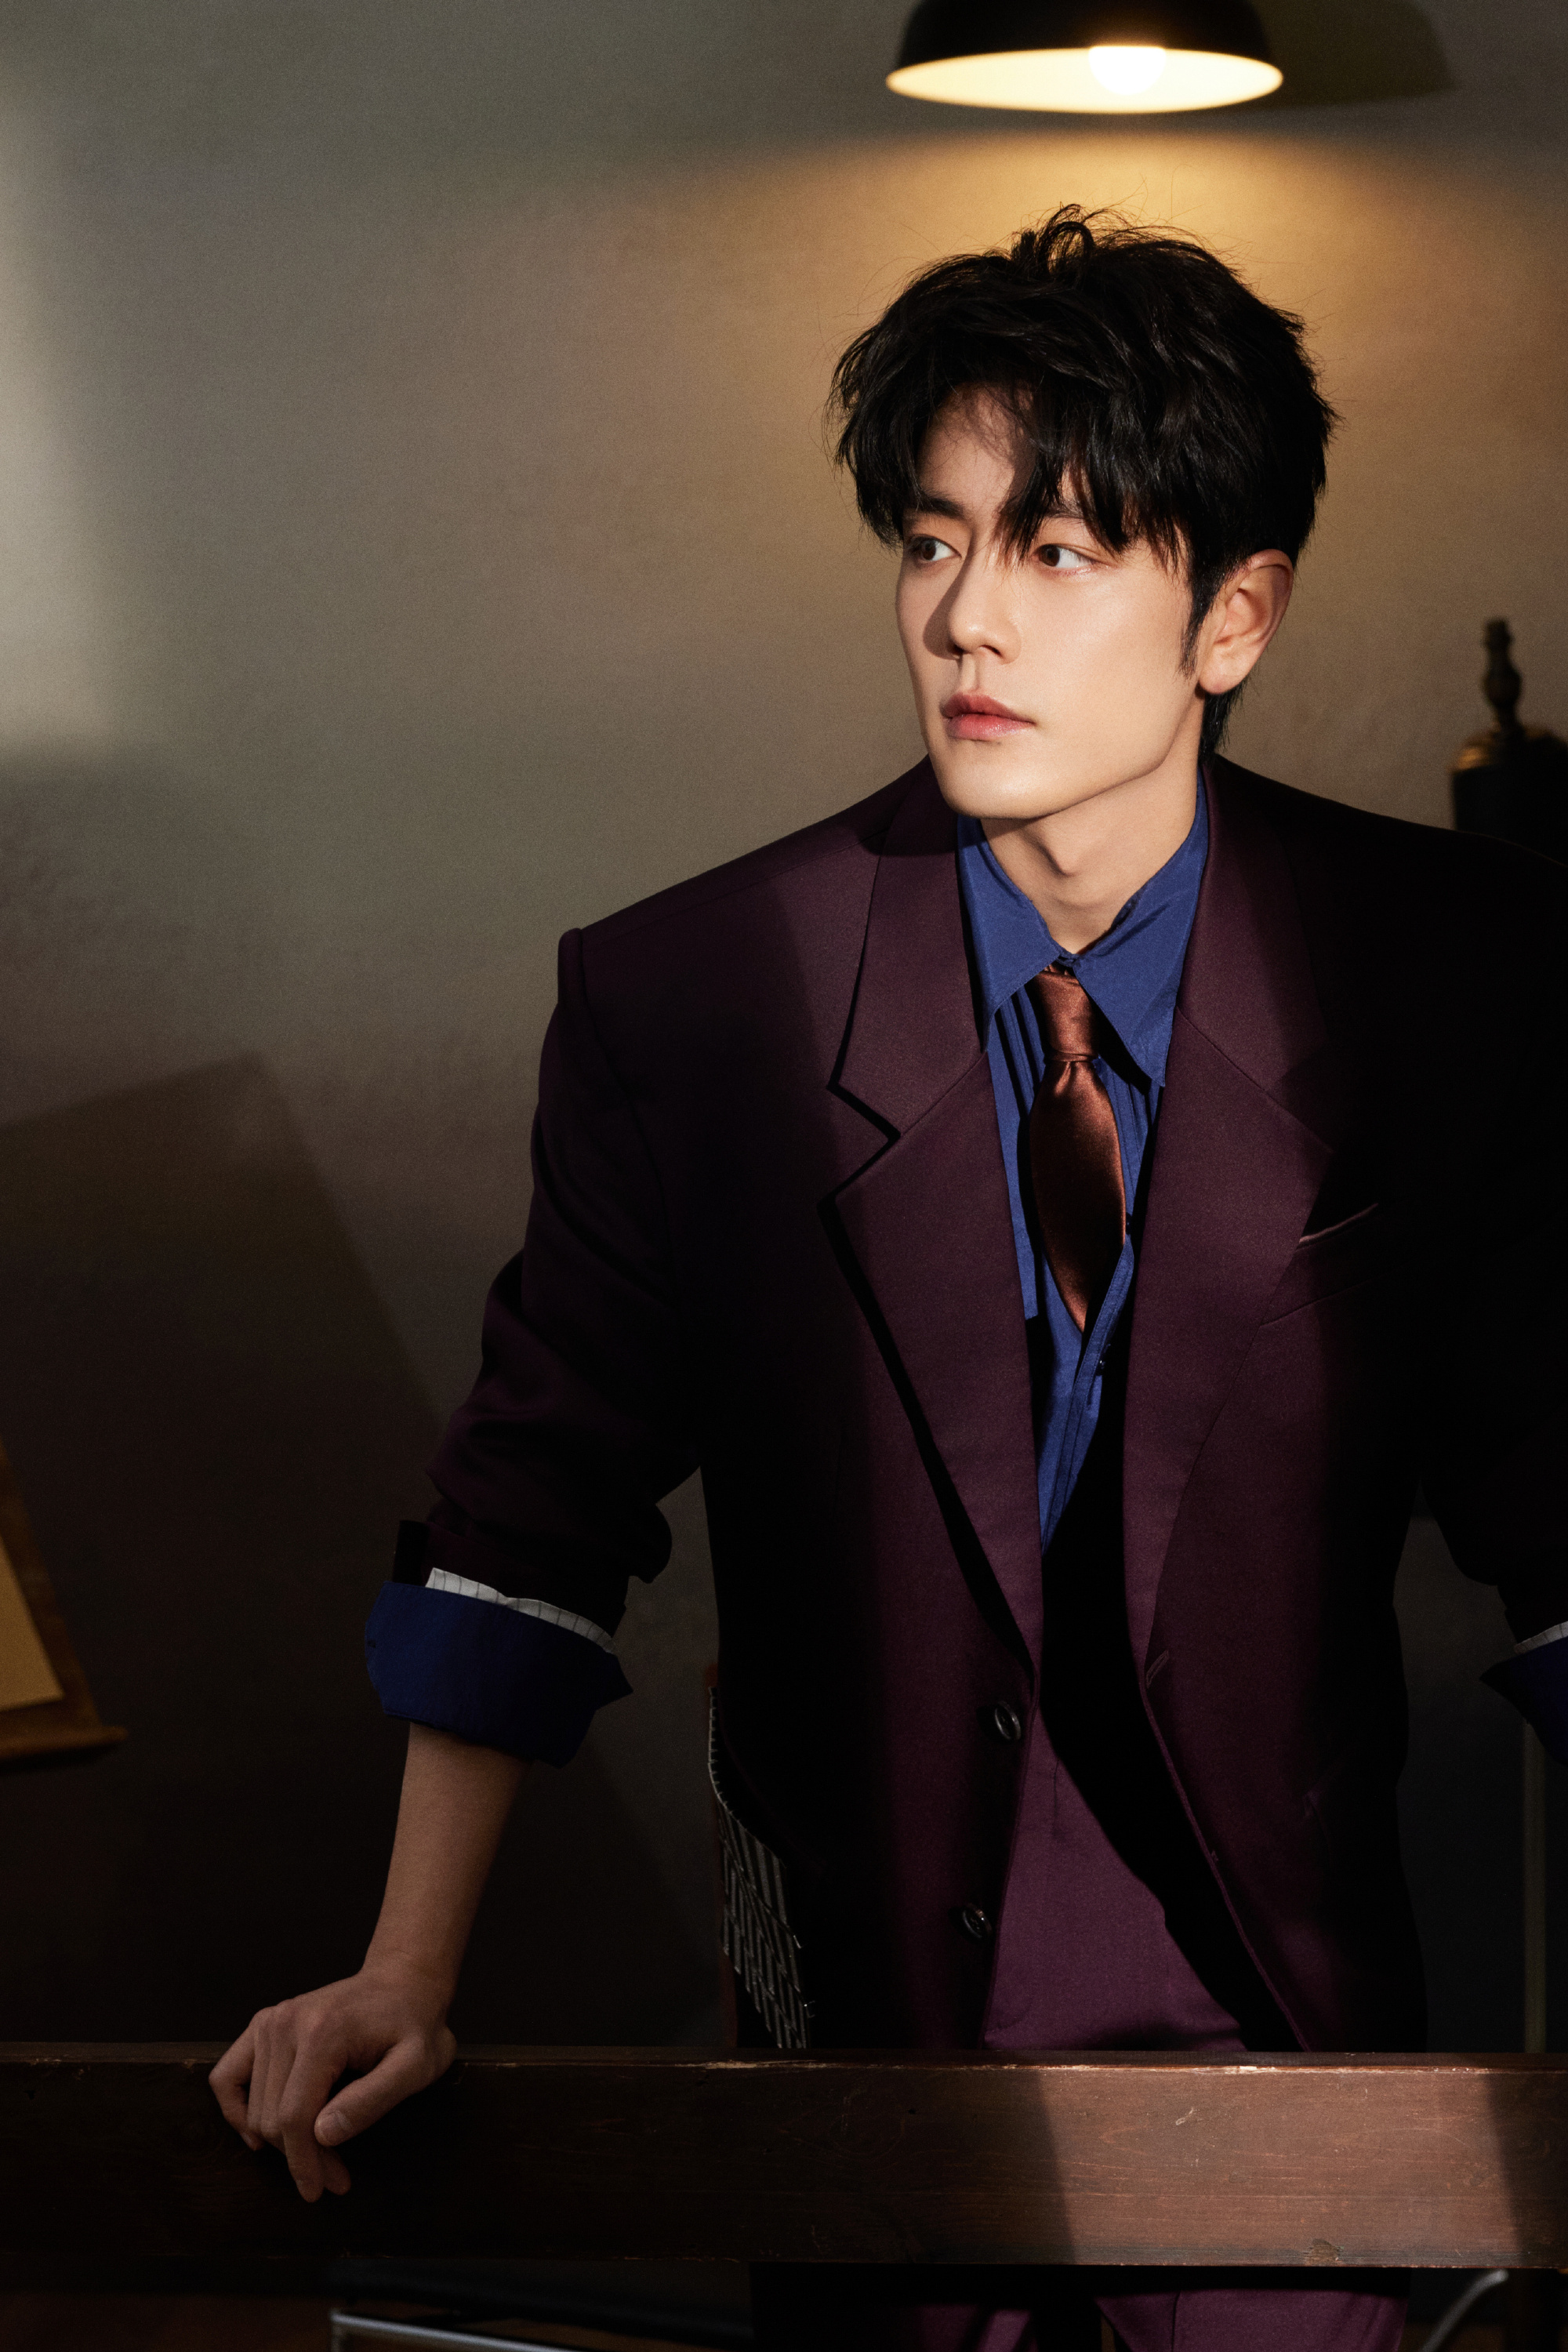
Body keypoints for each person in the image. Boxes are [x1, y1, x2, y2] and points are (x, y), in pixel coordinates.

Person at [211, 209, 1567, 2350]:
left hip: (1284, 2057)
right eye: (932, 544)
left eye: (1057, 551)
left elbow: (1565, 1529)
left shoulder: (1448, 982)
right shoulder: (696, 998)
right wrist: (404, 1970)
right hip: (866, 2057)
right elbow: (529, 1522)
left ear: (1234, 614)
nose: (965, 620)